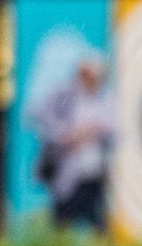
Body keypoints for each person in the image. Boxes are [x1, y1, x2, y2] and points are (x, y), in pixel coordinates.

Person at [31, 55, 113, 233]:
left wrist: (91, 130)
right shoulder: (65, 96)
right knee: (63, 215)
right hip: (68, 171)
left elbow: (111, 128)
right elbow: (38, 115)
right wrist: (67, 135)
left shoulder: (104, 98)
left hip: (93, 171)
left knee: (96, 218)